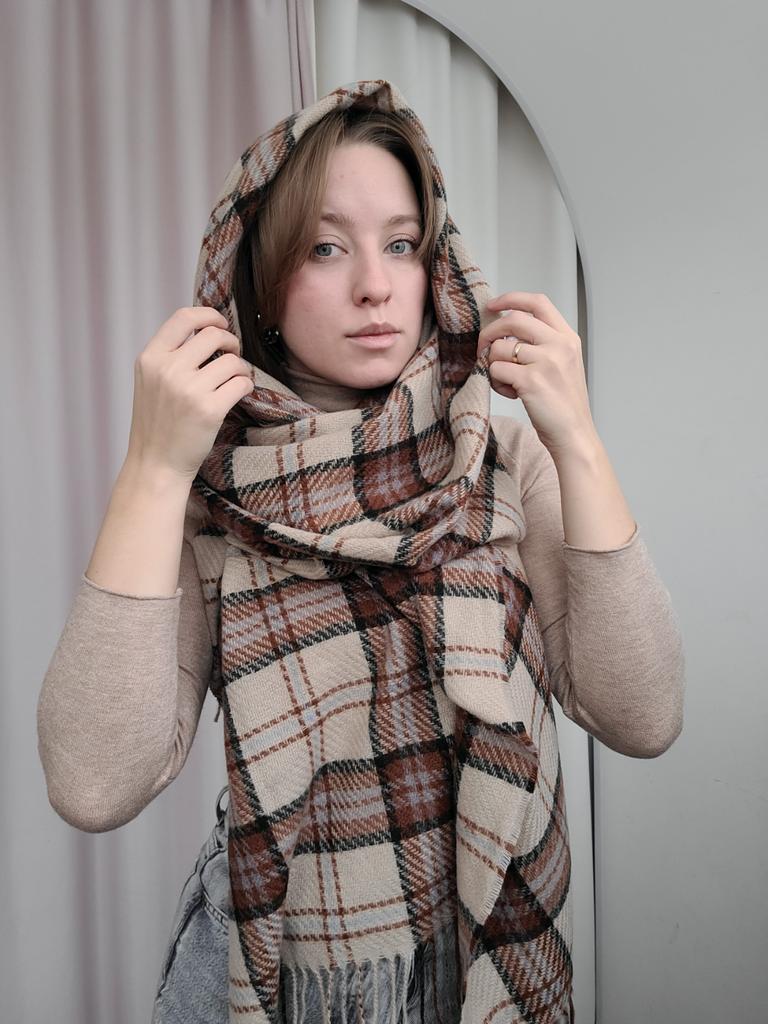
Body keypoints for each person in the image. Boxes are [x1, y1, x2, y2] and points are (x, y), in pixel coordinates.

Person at [37, 80, 685, 1024]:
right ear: (261, 280)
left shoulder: (503, 460)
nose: (376, 286)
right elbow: (93, 785)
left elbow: (645, 716)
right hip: (290, 982)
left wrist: (578, 436)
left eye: (402, 244)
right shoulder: (206, 497)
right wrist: (150, 469)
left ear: (436, 264)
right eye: (325, 248)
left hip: (490, 959)